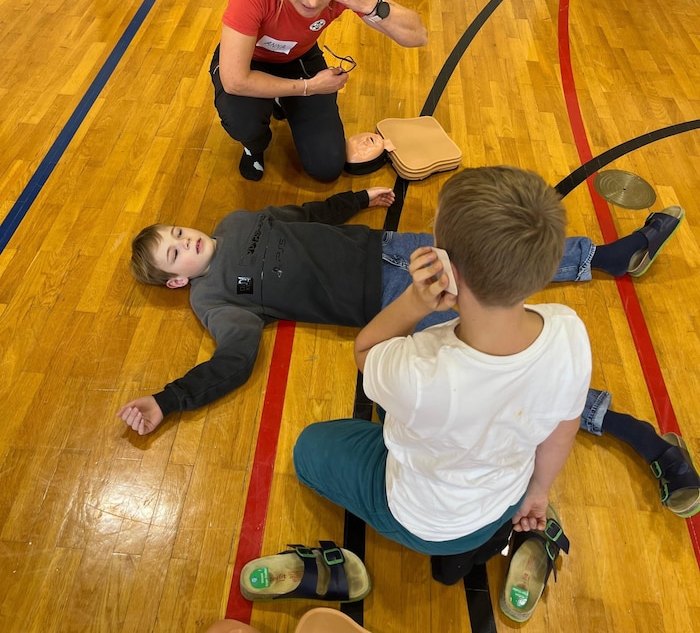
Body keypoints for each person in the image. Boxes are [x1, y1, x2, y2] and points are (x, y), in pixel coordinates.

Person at [291, 168, 698, 621]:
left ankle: (454, 547)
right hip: (507, 499)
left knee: (308, 448)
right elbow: (563, 427)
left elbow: (365, 351)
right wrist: (538, 492)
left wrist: (412, 303)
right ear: (546, 269)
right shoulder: (568, 330)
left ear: (449, 269)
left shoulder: (420, 367)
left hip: (421, 518)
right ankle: (475, 548)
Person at [118, 183, 683, 436]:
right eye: (174, 251)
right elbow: (233, 361)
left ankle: (606, 256)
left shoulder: (234, 223)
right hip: (391, 303)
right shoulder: (213, 299)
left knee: (489, 250)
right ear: (175, 281)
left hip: (388, 249)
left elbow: (308, 216)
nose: (185, 240)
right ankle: (595, 414)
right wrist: (169, 400)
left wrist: (359, 200)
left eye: (176, 231)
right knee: (488, 351)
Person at [209, 0, 428, 183]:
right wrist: (308, 87)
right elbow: (235, 79)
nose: (313, 0)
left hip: (298, 58)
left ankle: (279, 97)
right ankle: (253, 147)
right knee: (242, 119)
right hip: (251, 60)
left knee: (326, 168)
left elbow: (418, 36)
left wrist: (372, 5)